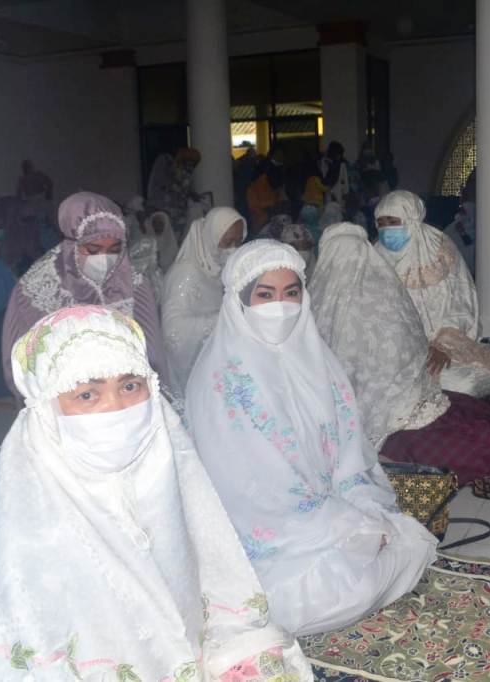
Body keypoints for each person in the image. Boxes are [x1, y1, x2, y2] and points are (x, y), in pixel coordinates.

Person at [0, 305, 312, 680]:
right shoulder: (20, 504)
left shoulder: (164, 453)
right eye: (87, 395)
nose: (115, 408)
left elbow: (212, 575)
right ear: (47, 405)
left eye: (130, 386)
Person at [185, 240, 437, 636]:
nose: (281, 306)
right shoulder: (220, 378)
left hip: (329, 508)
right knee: (313, 597)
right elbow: (251, 491)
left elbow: (348, 453)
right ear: (238, 300)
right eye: (265, 295)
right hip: (272, 529)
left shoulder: (317, 358)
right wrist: (343, 523)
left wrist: (362, 507)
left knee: (408, 541)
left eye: (291, 293)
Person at [309, 223, 490, 482]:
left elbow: (412, 352)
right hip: (381, 418)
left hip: (399, 404)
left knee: (488, 430)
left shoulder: (364, 296)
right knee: (489, 440)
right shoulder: (312, 308)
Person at [2, 191, 169, 398]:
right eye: (93, 249)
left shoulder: (135, 286)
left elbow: (154, 357)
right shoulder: (36, 290)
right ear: (72, 244)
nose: (105, 258)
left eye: (115, 249)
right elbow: (20, 364)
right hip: (64, 404)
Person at [374, 190, 490, 397]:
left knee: (462, 384)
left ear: (411, 220)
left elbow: (461, 304)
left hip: (442, 345)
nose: (387, 229)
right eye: (381, 223)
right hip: (392, 350)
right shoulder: (374, 258)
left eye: (393, 221)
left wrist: (443, 346)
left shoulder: (440, 250)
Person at [161, 207, 245, 398]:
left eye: (239, 241)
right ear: (211, 238)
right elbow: (173, 331)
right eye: (228, 242)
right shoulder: (186, 273)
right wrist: (225, 317)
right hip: (192, 368)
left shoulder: (216, 269)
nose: (234, 249)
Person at [320, 141, 350, 205]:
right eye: (338, 154)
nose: (339, 157)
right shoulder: (324, 162)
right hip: (327, 195)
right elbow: (323, 178)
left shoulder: (342, 164)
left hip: (339, 196)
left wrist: (345, 194)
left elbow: (345, 183)